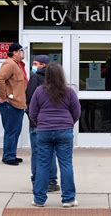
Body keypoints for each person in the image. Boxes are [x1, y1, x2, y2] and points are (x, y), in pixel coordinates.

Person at [29, 63, 81, 208]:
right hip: (64, 131)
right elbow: (76, 112)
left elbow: (32, 111)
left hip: (44, 131)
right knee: (66, 164)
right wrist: (69, 123)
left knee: (43, 165)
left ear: (47, 76)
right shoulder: (69, 92)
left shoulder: (39, 91)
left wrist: (40, 123)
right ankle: (68, 199)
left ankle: (39, 200)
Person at [25, 55, 60, 192]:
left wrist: (32, 118)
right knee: (51, 153)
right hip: (53, 124)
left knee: (38, 153)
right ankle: (51, 181)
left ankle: (37, 181)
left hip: (38, 123)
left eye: (36, 63)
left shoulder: (35, 78)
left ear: (43, 65)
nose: (33, 66)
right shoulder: (56, 80)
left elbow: (30, 99)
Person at [0, 43, 28, 166]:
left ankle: (10, 154)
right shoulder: (10, 64)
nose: (22, 53)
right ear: (14, 52)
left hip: (18, 104)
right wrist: (4, 97)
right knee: (11, 131)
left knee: (15, 131)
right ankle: (8, 157)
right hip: (11, 104)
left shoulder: (17, 65)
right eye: (21, 51)